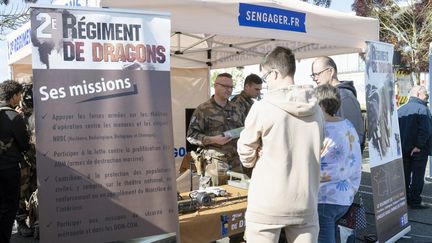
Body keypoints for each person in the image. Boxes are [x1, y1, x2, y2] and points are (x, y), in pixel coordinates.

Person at [237, 46, 325, 243]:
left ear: (275, 73)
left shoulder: (263, 107)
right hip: (305, 199)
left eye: (265, 76)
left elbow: (245, 151)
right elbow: (318, 145)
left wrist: (256, 155)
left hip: (267, 202)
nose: (265, 82)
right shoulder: (316, 109)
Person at [314, 84, 362, 243]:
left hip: (325, 197)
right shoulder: (347, 125)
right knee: (333, 235)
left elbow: (316, 164)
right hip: (345, 196)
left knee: (324, 238)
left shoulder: (321, 129)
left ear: (319, 104)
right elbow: (356, 159)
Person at [187, 73, 244, 186]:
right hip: (215, 163)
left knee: (238, 196)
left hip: (236, 162)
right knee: (216, 199)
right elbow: (191, 135)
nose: (228, 90)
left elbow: (245, 130)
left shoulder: (236, 108)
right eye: (225, 86)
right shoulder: (203, 109)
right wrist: (213, 139)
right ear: (215, 86)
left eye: (231, 87)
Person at [311, 56, 365, 152]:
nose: (315, 78)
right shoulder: (337, 95)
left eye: (317, 74)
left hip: (344, 163)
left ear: (331, 71)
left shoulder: (345, 97)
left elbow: (355, 136)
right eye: (313, 75)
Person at [0, 80, 30, 243]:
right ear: (13, 96)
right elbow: (24, 145)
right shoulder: (14, 117)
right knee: (9, 208)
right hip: (9, 170)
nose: (20, 98)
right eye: (19, 95)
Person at [398, 85, 432, 209]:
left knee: (405, 175)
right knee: (418, 176)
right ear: (418, 94)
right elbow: (426, 130)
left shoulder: (401, 109)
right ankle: (415, 201)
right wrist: (418, 146)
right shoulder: (423, 109)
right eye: (425, 94)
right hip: (418, 150)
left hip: (403, 149)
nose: (426, 96)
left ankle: (405, 199)